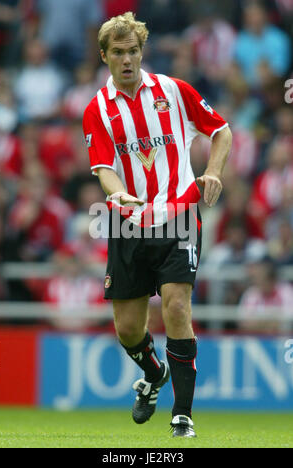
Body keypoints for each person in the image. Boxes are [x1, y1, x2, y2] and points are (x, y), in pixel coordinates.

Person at [83, 12, 232, 438]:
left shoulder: (173, 90)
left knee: (177, 307)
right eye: (118, 52)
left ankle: (182, 416)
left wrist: (214, 172)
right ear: (105, 56)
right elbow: (103, 168)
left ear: (141, 52)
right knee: (129, 328)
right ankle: (154, 372)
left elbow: (220, 130)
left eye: (133, 51)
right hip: (129, 222)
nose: (127, 60)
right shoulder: (97, 109)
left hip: (179, 214)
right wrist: (118, 194)